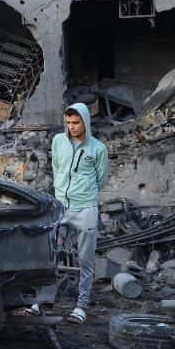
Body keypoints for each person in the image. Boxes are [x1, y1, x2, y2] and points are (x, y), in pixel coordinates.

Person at [51, 102, 109, 325]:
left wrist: (84, 193)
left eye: (76, 123)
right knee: (50, 254)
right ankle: (45, 301)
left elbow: (101, 179)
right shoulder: (58, 141)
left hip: (85, 208)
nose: (71, 127)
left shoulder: (98, 149)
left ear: (85, 122)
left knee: (85, 259)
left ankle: (81, 305)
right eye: (68, 122)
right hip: (60, 207)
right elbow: (57, 167)